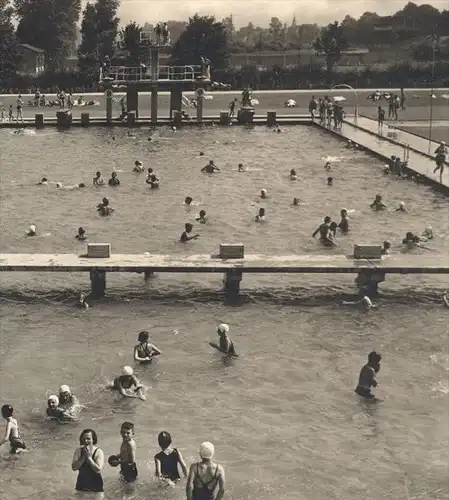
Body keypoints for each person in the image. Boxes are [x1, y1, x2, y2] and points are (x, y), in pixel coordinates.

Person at [72, 429, 104, 493]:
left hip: (96, 485)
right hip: (81, 484)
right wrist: (83, 457)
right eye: (84, 439)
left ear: (93, 439)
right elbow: (74, 468)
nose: (86, 441)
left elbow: (98, 470)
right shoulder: (78, 451)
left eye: (88, 439)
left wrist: (89, 458)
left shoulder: (98, 452)